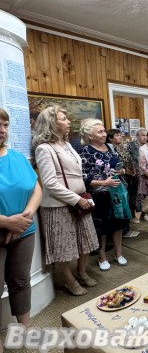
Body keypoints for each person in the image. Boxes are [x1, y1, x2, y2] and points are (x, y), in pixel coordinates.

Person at [32, 106, 99, 296]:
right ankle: (69, 281)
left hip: (80, 202)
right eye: (63, 119)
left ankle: (81, 272)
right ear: (51, 123)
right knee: (62, 246)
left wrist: (81, 197)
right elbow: (49, 183)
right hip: (58, 205)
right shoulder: (44, 149)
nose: (69, 122)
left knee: (85, 240)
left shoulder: (67, 145)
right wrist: (76, 199)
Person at [0, 108, 42, 348]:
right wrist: (6, 222)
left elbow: (36, 187)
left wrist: (24, 218)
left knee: (20, 280)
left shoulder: (16, 157)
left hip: (24, 231)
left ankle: (25, 326)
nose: (2, 130)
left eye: (5, 125)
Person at [80, 119, 129, 271]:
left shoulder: (110, 147)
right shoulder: (85, 152)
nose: (104, 134)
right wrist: (104, 183)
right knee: (101, 226)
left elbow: (118, 165)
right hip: (99, 195)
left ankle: (118, 253)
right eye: (100, 131)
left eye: (104, 130)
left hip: (115, 192)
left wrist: (120, 171)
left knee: (118, 223)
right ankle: (102, 256)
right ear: (90, 135)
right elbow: (83, 177)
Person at [106, 129, 139, 238]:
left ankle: (126, 228)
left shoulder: (121, 147)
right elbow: (117, 168)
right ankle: (124, 231)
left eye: (120, 135)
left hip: (128, 178)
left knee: (127, 202)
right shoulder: (110, 149)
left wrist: (131, 170)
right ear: (110, 138)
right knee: (122, 204)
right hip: (118, 180)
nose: (120, 137)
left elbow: (129, 161)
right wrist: (126, 171)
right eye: (117, 135)